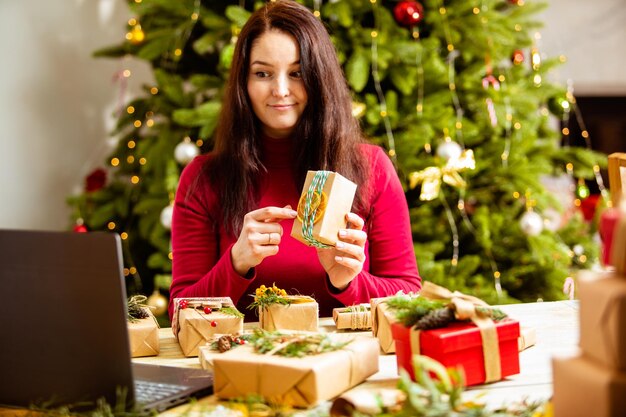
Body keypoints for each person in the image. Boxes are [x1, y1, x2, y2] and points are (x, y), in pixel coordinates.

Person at [168, 0, 420, 321]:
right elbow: (180, 310)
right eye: (262, 73)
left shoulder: (371, 167)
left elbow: (409, 296)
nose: (280, 90)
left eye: (297, 73)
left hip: (344, 363)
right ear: (243, 83)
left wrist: (348, 282)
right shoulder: (203, 177)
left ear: (319, 78)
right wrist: (236, 263)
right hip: (243, 363)